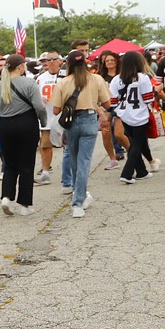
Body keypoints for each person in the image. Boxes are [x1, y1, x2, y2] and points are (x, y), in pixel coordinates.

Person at [49, 50, 111, 218]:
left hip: (71, 123)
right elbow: (107, 103)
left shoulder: (63, 82)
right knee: (84, 161)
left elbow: (55, 110)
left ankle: (79, 197)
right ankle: (78, 201)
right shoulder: (96, 79)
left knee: (75, 160)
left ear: (68, 64)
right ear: (85, 63)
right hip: (89, 119)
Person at [0, 53, 46, 215]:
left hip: (6, 125)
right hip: (26, 124)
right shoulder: (29, 83)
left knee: (10, 163)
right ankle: (24, 205)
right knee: (27, 165)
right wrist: (43, 122)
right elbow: (40, 107)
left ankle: (6, 197)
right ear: (21, 67)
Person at [110, 51, 157, 185]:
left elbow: (113, 101)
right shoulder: (143, 78)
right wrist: (157, 91)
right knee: (137, 144)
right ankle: (127, 173)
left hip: (124, 115)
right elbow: (148, 98)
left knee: (136, 142)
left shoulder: (116, 79)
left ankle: (142, 171)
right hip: (140, 115)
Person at [33, 51, 63, 186]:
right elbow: (34, 95)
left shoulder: (66, 76)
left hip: (63, 116)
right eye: (48, 59)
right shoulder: (41, 78)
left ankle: (71, 173)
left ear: (60, 61)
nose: (51, 62)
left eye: (54, 59)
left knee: (68, 146)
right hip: (47, 116)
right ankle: (45, 172)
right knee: (45, 145)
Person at [95, 49, 123, 169]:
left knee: (121, 133)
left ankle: (131, 152)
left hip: (122, 106)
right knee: (106, 132)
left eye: (112, 60)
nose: (110, 62)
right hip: (106, 107)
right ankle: (112, 159)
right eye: (107, 60)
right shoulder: (100, 77)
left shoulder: (123, 75)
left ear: (117, 61)